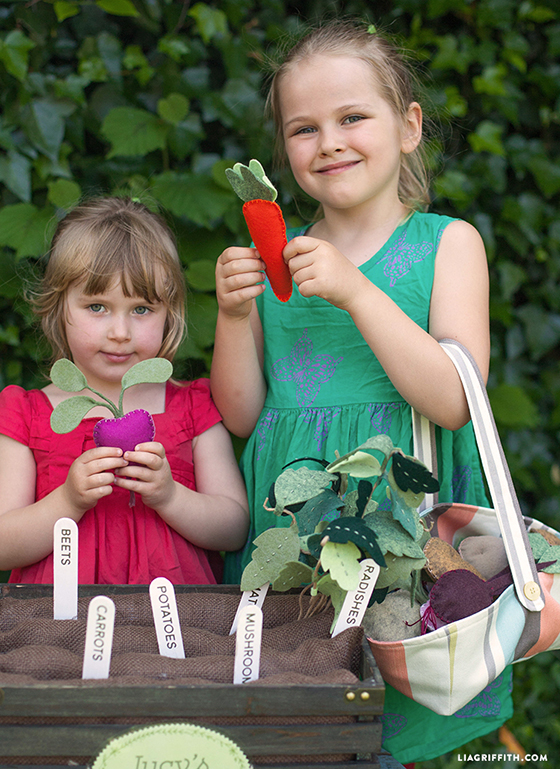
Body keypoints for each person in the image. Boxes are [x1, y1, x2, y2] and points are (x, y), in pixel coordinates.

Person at [211, 20, 512, 766]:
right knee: (287, 719)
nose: (329, 141)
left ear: (408, 127)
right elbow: (243, 413)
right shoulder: (275, 262)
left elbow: (452, 399)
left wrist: (357, 292)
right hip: (290, 528)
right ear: (284, 150)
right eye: (303, 128)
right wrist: (232, 313)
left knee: (379, 725)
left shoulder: (448, 244)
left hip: (398, 525)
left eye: (353, 117)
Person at [0, 196, 249, 586]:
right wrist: (67, 501)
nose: (120, 332)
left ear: (171, 313)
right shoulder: (26, 413)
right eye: (97, 307)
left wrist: (170, 497)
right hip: (58, 625)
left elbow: (233, 528)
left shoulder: (193, 407)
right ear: (57, 307)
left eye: (141, 310)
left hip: (175, 624)